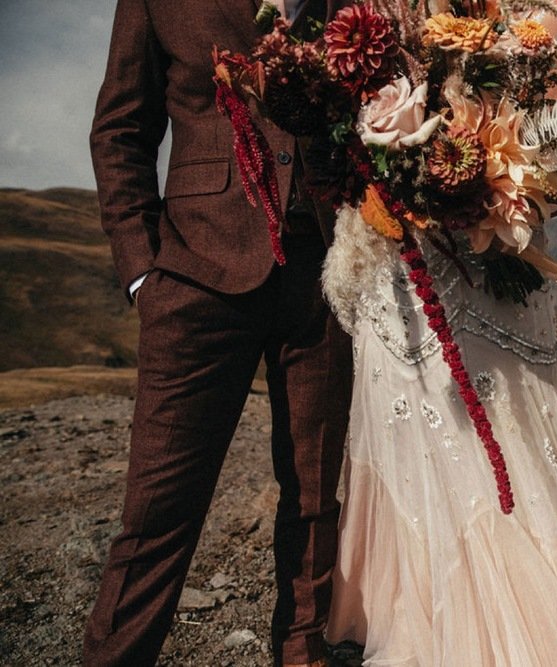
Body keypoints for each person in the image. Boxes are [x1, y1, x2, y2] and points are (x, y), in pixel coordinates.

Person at [322, 1, 557, 664]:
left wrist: (484, 184)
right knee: (406, 425)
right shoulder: (396, 10)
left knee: (496, 446)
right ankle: (410, 606)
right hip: (394, 271)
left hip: (492, 272)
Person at [83, 1, 352, 665]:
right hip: (196, 272)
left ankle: (303, 653)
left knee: (316, 500)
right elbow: (120, 129)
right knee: (157, 513)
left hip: (326, 273)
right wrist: (143, 270)